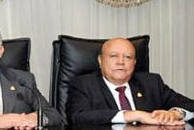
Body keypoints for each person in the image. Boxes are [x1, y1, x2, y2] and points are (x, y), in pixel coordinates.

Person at [66, 37, 194, 125]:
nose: (121, 62)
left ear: (134, 63)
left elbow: (190, 105)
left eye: (128, 57)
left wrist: (175, 114)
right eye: (113, 56)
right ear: (100, 60)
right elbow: (78, 116)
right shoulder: (83, 85)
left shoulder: (152, 83)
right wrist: (135, 115)